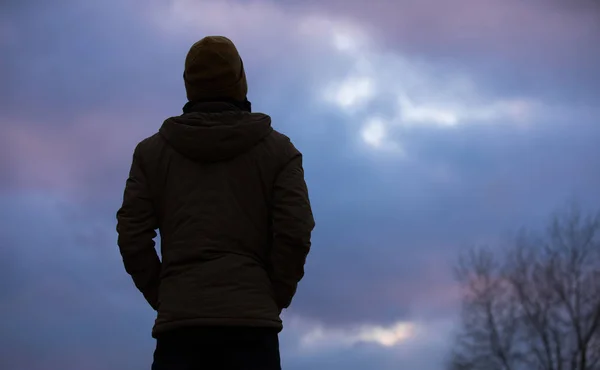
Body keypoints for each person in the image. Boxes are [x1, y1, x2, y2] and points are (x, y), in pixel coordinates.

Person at [116, 36, 315, 370]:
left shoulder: (151, 154)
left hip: (180, 330)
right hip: (252, 331)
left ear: (189, 86)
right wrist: (271, 295)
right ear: (240, 81)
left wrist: (167, 296)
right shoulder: (279, 151)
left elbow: (132, 236)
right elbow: (295, 231)